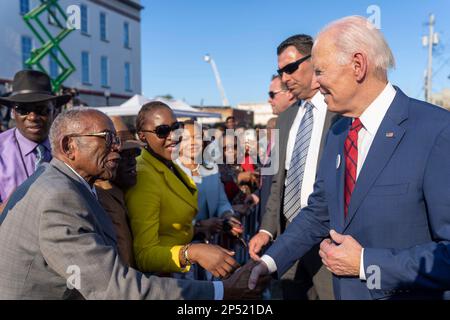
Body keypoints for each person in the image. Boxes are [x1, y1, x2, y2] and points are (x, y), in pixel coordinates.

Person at [249, 15, 450, 300]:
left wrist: (367, 264)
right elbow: (320, 211)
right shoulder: (340, 131)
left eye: (320, 71)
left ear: (358, 66)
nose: (315, 84)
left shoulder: (437, 131)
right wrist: (268, 263)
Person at [0, 107, 267, 299]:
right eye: (108, 139)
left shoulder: (66, 183)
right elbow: (113, 286)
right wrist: (221, 291)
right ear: (70, 146)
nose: (116, 147)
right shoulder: (60, 196)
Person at [249, 34, 336, 300]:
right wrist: (266, 229)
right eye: (280, 71)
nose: (285, 78)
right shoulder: (287, 119)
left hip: (329, 242)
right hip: (287, 241)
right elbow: (280, 182)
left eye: (290, 68)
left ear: (315, 61)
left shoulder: (340, 113)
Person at [125, 101, 240, 278]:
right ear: (142, 136)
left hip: (188, 270)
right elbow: (144, 256)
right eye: (162, 131)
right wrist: (193, 252)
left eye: (176, 128)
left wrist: (222, 220)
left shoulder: (168, 164)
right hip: (168, 280)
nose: (173, 136)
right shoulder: (144, 175)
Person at [0, 70, 71, 210]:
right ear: (13, 113)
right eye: (23, 110)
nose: (32, 117)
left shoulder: (70, 147)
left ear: (54, 111)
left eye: (41, 109)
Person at [95, 116, 144, 268]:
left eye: (135, 153)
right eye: (123, 156)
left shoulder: (121, 192)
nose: (133, 161)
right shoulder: (102, 198)